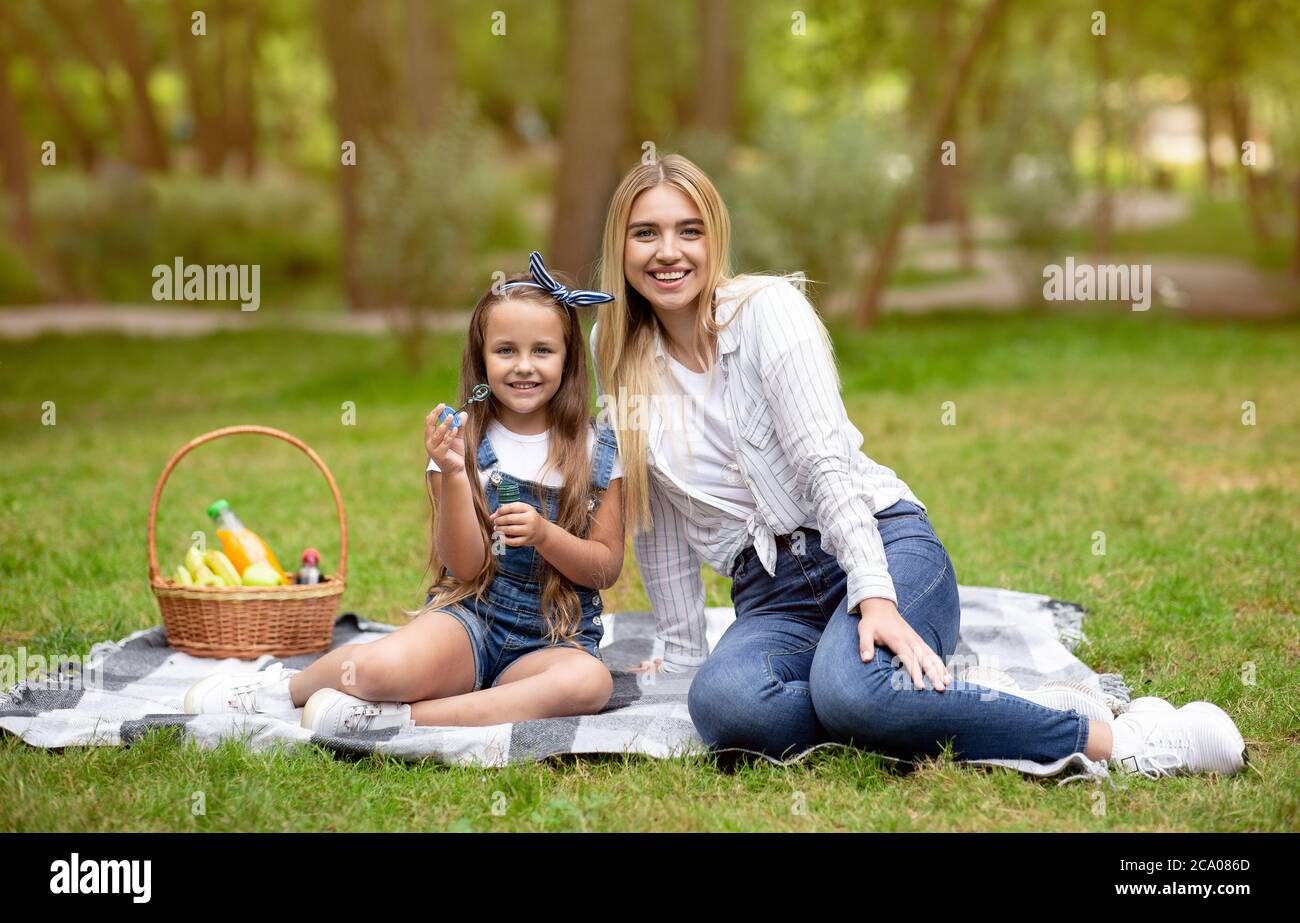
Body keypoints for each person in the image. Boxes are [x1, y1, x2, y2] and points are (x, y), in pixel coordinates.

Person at [588, 153, 1247, 780]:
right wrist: (681, 655)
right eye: (646, 233)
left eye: (688, 231)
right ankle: (918, 699)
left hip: (879, 543)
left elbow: (825, 463)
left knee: (854, 691)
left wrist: (872, 591)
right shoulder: (615, 350)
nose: (667, 252)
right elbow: (657, 511)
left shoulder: (768, 313)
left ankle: (1117, 737)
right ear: (621, 246)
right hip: (770, 594)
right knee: (727, 707)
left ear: (715, 238)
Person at [185, 253, 625, 736]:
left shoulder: (597, 450)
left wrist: (545, 535)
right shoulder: (460, 444)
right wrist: (455, 474)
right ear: (481, 358)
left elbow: (604, 567)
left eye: (542, 351)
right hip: (471, 621)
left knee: (590, 683)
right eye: (506, 351)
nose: (524, 366)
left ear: (569, 358)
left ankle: (399, 717)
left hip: (557, 639)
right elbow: (465, 567)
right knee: (379, 671)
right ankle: (282, 690)